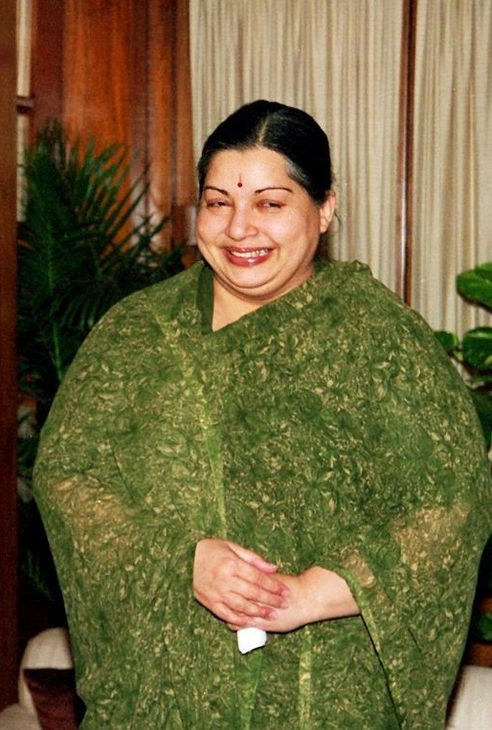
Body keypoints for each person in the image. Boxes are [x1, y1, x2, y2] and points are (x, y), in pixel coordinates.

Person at [34, 99, 492, 727]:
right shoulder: (137, 335)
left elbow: (451, 505)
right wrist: (180, 559)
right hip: (164, 696)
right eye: (219, 202)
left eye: (270, 204)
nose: (239, 228)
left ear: (325, 208)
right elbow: (69, 478)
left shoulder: (377, 340)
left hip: (327, 691)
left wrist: (311, 593)